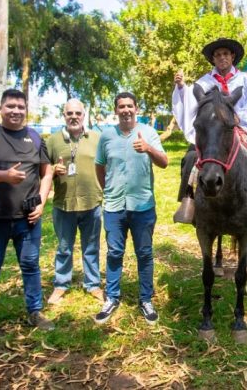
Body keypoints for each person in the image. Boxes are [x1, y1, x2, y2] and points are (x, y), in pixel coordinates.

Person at [0, 89, 55, 341]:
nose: (16, 111)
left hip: (28, 218)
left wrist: (42, 202)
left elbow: (46, 172)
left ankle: (35, 312)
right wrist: (3, 175)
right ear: (1, 109)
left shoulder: (35, 138)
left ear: (26, 110)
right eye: (11, 106)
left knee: (30, 265)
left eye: (20, 107)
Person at [171, 38, 247, 223]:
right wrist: (181, 88)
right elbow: (192, 104)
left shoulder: (245, 79)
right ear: (213, 59)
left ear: (232, 56)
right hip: (213, 131)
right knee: (190, 158)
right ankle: (189, 199)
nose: (222, 58)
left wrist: (238, 118)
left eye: (225, 54)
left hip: (241, 126)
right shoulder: (203, 82)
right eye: (217, 55)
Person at [93, 92, 168, 325]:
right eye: (121, 106)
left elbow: (164, 162)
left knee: (144, 254)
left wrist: (148, 149)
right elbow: (99, 167)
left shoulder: (148, 133)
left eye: (130, 106)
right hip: (114, 206)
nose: (126, 110)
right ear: (116, 110)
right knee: (114, 252)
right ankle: (112, 297)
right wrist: (109, 191)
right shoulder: (106, 136)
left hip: (142, 205)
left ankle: (146, 299)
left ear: (137, 108)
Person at [46, 99, 104, 305]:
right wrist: (53, 171)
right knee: (63, 247)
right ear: (64, 115)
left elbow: (106, 167)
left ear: (83, 114)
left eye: (78, 113)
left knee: (91, 247)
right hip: (64, 205)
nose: (74, 117)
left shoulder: (97, 138)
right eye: (69, 113)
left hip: (92, 203)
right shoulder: (52, 141)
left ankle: (93, 284)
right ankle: (61, 284)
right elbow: (42, 173)